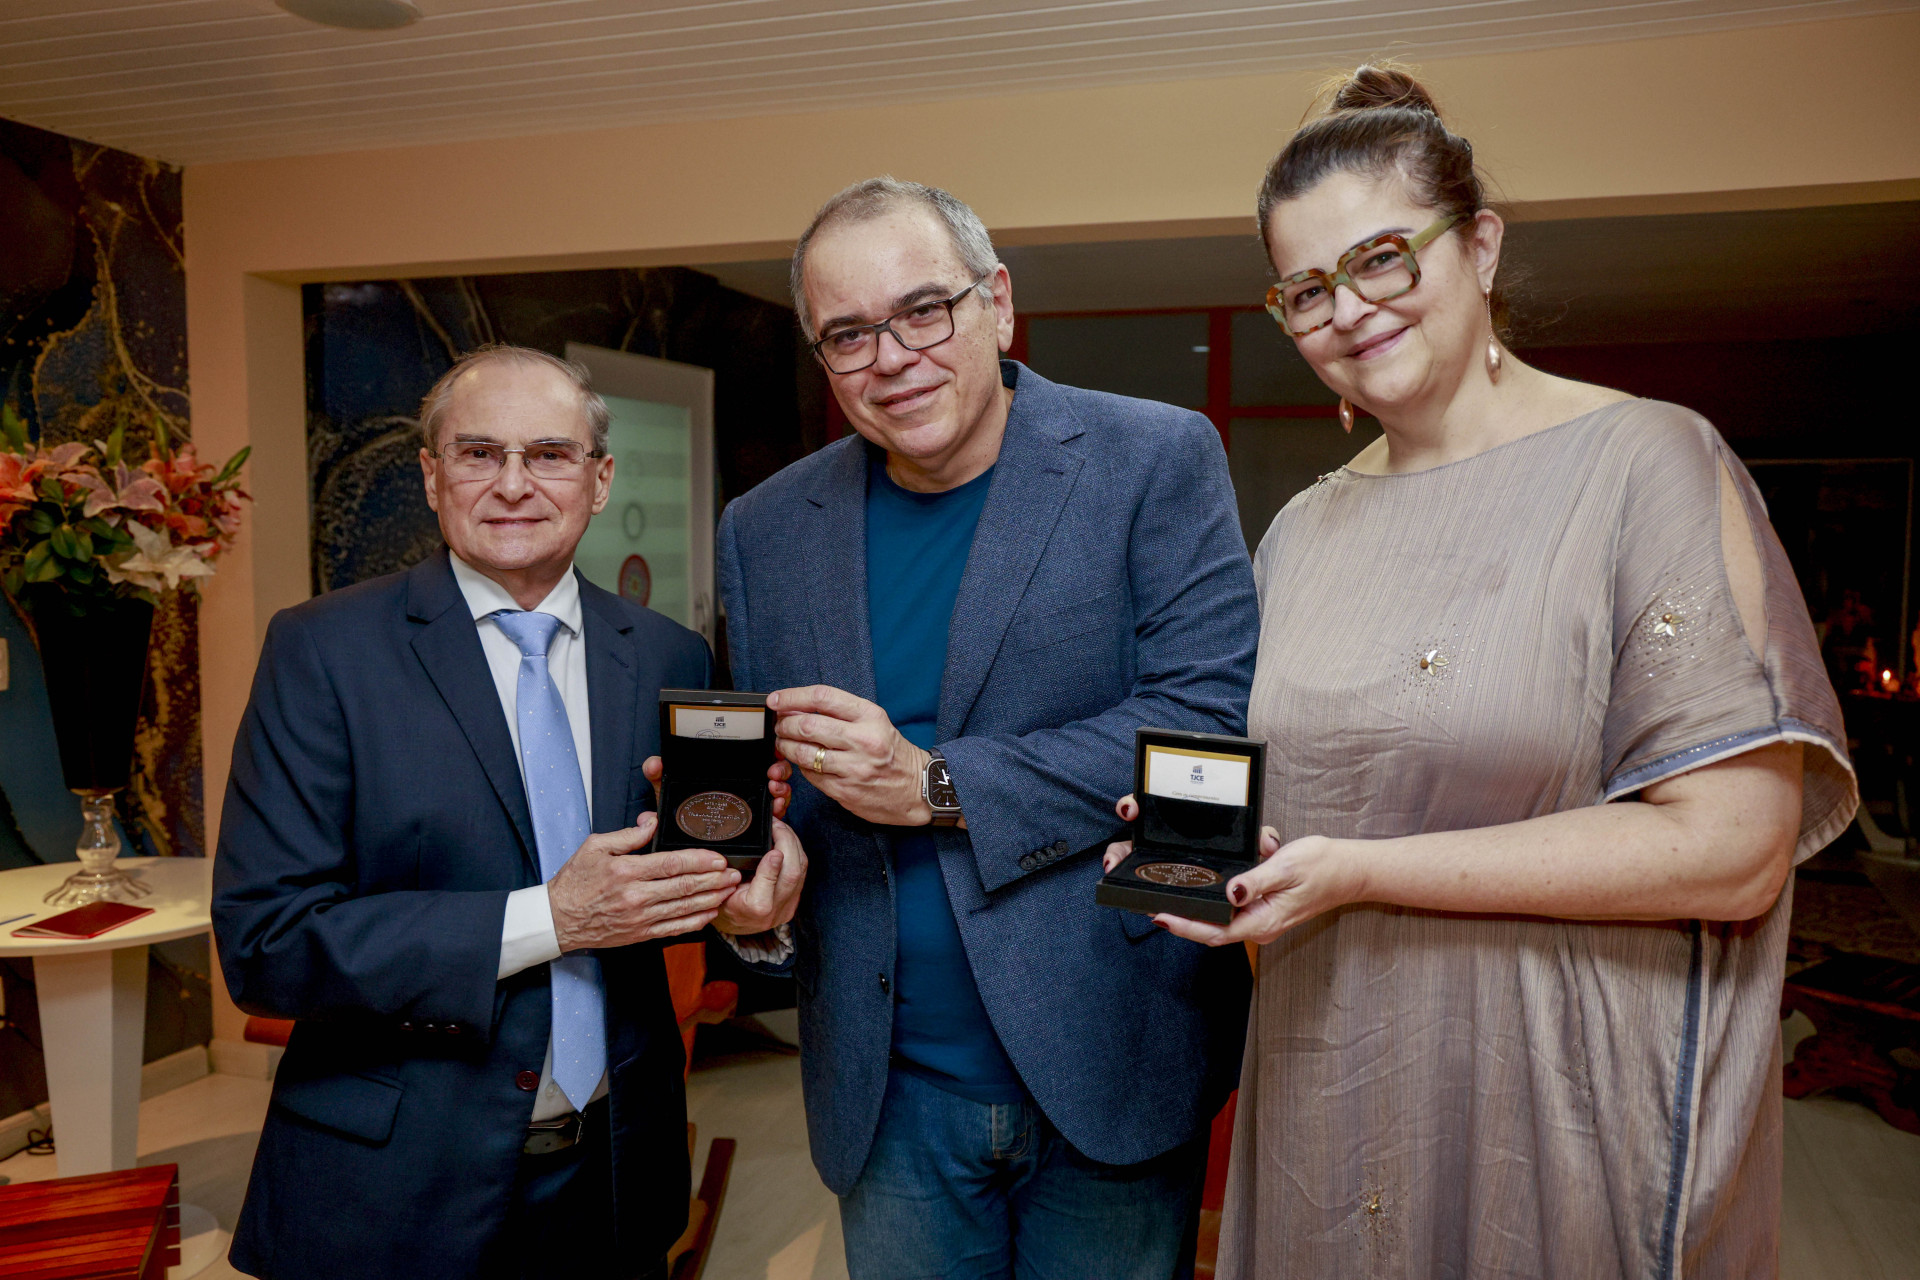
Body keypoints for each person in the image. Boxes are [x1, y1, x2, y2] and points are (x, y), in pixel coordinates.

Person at [1100, 66, 1856, 1277]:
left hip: (1554, 1111)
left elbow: (1737, 847)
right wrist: (1226, 861)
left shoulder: (1647, 464)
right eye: (1307, 289)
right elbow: (1318, 797)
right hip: (1327, 1091)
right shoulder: (1299, 530)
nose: (1348, 308)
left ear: (1482, 247)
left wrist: (1360, 871)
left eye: (1385, 257)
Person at [715, 178, 1259, 1278]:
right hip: (882, 1086)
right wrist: (749, 890)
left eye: (926, 309)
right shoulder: (764, 529)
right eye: (849, 333)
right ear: (824, 358)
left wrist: (939, 785)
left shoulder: (1153, 457)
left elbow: (1209, 719)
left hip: (1111, 1045)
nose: (893, 355)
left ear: (998, 305)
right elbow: (782, 793)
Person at [212, 345, 807, 1280]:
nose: (514, 485)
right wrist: (552, 919)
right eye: (479, 453)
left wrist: (747, 910)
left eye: (550, 454)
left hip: (614, 1179)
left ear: (601, 479)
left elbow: (684, 886)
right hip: (396, 1189)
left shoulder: (666, 654)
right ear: (431, 474)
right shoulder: (323, 652)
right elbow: (266, 944)